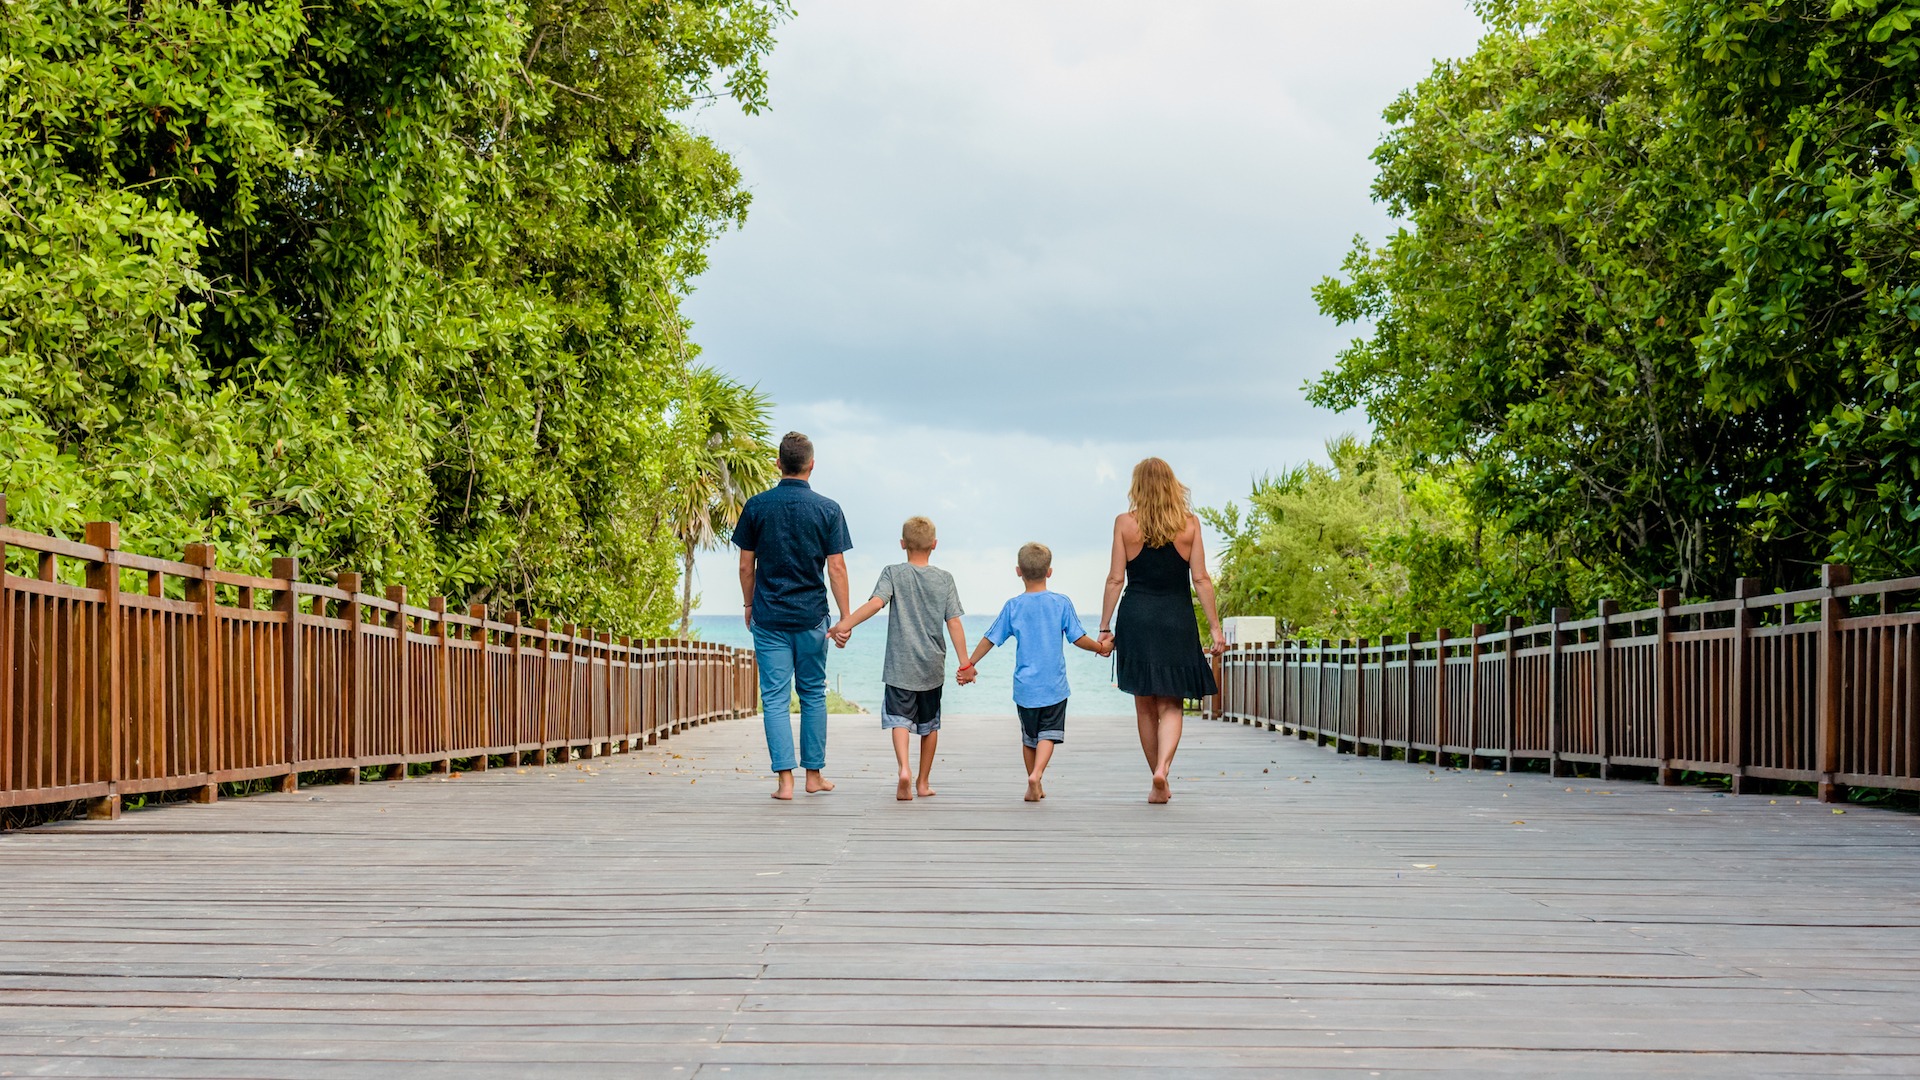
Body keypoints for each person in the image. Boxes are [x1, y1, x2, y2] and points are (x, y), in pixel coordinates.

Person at [732, 432, 853, 801]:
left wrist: (749, 605)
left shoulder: (756, 506)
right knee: (813, 693)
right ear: (811, 465)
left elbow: (746, 566)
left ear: (778, 464)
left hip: (769, 617)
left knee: (774, 698)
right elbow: (836, 568)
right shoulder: (828, 509)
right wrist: (845, 617)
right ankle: (813, 776)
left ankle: (785, 783)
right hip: (812, 617)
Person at [1098, 457, 1224, 805]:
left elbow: (1115, 579)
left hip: (1136, 617)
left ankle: (1156, 775)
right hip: (1176, 618)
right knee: (1171, 704)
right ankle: (1163, 769)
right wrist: (1215, 629)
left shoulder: (1125, 523)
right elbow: (1201, 579)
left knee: (1144, 705)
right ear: (1172, 484)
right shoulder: (1189, 525)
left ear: (1137, 486)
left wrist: (1105, 627)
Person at [831, 516, 968, 801]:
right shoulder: (945, 579)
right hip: (931, 666)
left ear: (902, 544)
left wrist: (845, 624)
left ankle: (904, 769)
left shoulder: (893, 573)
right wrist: (965, 663)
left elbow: (875, 604)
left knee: (899, 720)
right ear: (934, 545)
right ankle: (923, 782)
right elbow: (954, 622)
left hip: (899, 666)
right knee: (930, 725)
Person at [961, 542, 1111, 803]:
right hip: (1054, 686)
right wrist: (1100, 648)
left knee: (1029, 738)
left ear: (1018, 571)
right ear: (1049, 572)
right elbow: (1078, 638)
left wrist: (969, 664)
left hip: (1025, 687)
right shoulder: (1061, 603)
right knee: (1049, 734)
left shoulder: (1013, 606)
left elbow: (990, 638)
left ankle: (1034, 781)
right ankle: (1037, 775)